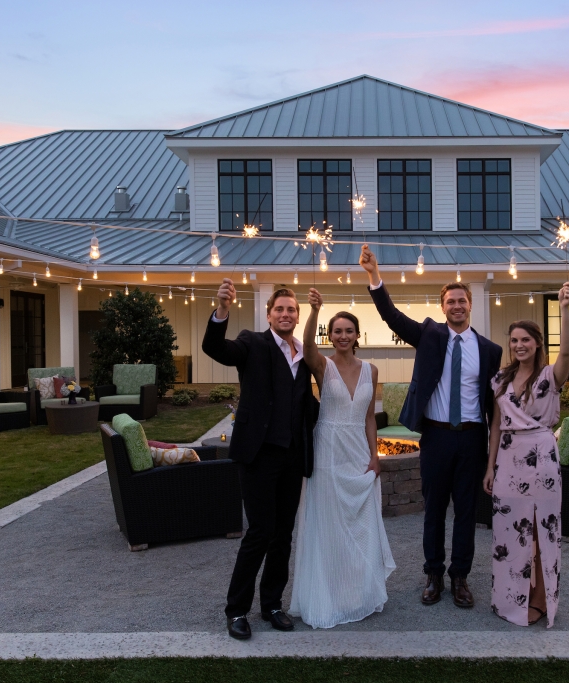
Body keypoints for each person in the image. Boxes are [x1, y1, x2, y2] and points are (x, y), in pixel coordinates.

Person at [360, 244, 503, 609]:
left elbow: (495, 403)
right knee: (435, 509)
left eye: (462, 300)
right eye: (450, 301)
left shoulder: (490, 350)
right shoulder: (429, 335)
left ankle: (460, 578)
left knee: (467, 513)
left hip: (472, 438)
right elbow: (391, 316)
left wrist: (493, 453)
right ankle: (434, 574)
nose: (457, 306)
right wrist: (375, 276)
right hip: (437, 436)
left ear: (470, 304)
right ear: (443, 307)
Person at [202, 279, 319, 641]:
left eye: (291, 309)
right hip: (257, 456)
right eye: (279, 309)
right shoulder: (252, 343)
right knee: (259, 533)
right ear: (269, 314)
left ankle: (271, 604)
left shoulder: (303, 355)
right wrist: (222, 310)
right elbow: (214, 348)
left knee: (283, 534)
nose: (286, 314)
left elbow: (308, 407)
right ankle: (236, 609)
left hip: (291, 458)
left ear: (297, 316)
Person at [288, 289, 396, 628]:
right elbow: (306, 350)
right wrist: (314, 311)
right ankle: (327, 593)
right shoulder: (323, 365)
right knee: (328, 521)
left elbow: (368, 417)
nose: (343, 336)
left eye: (349, 331)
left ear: (357, 335)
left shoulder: (372, 370)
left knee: (359, 523)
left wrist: (375, 456)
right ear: (330, 335)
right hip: (328, 448)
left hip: (358, 451)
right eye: (337, 331)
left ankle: (356, 592)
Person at [484, 284, 569, 628]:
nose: (519, 345)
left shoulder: (550, 376)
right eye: (514, 340)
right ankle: (509, 598)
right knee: (508, 531)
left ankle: (538, 599)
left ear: (537, 343)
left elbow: (566, 353)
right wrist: (490, 467)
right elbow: (495, 426)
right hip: (507, 459)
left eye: (525, 339)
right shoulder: (500, 380)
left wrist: (565, 309)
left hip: (541, 458)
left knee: (539, 529)